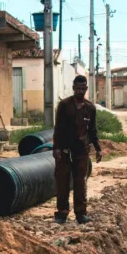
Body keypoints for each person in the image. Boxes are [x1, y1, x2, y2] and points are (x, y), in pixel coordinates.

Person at [53, 75, 102, 225]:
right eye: (78, 88)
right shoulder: (64, 105)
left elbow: (92, 130)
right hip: (65, 150)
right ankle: (62, 213)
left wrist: (98, 149)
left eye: (83, 88)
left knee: (80, 182)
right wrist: (56, 148)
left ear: (86, 89)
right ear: (73, 88)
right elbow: (58, 128)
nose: (80, 91)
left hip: (82, 151)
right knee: (63, 181)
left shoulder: (90, 108)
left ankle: (81, 213)